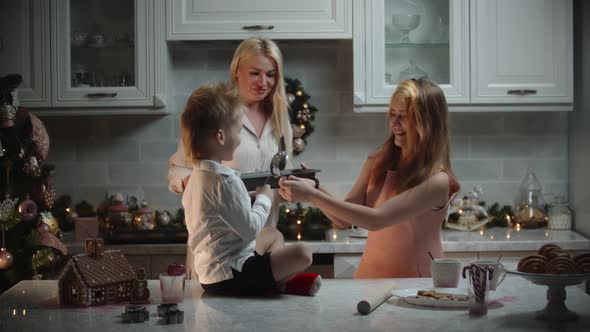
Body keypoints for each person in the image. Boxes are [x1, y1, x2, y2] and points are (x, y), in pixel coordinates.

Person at [279, 78, 460, 278]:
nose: (395, 123)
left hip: (414, 286)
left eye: (404, 116)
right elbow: (343, 219)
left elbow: (377, 220)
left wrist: (311, 195)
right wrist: (315, 186)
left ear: (428, 122)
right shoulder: (379, 161)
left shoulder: (437, 180)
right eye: (392, 114)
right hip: (367, 280)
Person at [167, 37, 293, 279]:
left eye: (271, 74)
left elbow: (277, 178)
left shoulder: (280, 120)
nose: (263, 82)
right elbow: (176, 171)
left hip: (264, 243)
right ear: (237, 72)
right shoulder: (215, 113)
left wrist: (293, 186)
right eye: (255, 73)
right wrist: (197, 185)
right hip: (220, 252)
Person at [181, 82, 321, 296]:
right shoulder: (225, 180)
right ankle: (280, 284)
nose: (239, 140)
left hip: (210, 275)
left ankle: (274, 282)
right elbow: (249, 230)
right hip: (233, 276)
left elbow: (220, 213)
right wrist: (264, 198)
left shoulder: (197, 177)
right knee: (304, 253)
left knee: (272, 235)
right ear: (220, 136)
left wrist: (247, 196)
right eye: (238, 131)